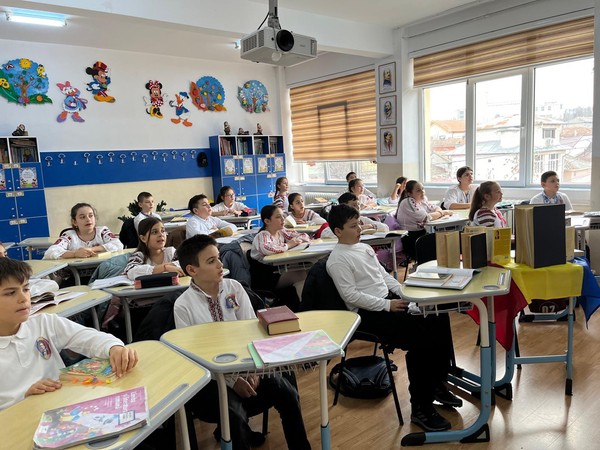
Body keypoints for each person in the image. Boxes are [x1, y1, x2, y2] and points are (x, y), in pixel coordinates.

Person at [325, 204, 460, 432]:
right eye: (353, 226)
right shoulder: (337, 260)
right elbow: (351, 296)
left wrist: (405, 292)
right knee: (421, 337)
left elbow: (384, 277)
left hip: (387, 303)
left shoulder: (363, 248)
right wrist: (388, 305)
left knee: (437, 317)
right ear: (338, 231)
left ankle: (437, 383)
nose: (359, 229)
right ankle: (420, 407)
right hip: (368, 314)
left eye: (358, 224)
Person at [174, 235, 311, 450]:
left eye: (218, 258)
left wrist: (253, 371)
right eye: (211, 261)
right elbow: (193, 358)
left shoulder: (234, 288)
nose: (220, 265)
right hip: (213, 378)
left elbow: (251, 334)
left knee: (288, 394)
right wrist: (232, 381)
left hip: (249, 366)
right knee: (234, 414)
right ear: (192, 270)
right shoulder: (183, 306)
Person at [0, 258, 138, 411]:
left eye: (26, 289)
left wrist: (113, 347)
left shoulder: (44, 323)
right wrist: (23, 399)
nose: (23, 298)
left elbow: (87, 337)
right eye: (11, 293)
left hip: (64, 408)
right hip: (21, 419)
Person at [249, 205, 310, 307]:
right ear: (267, 221)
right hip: (266, 276)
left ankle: (303, 303)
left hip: (278, 269)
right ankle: (305, 306)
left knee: (308, 270)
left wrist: (297, 240)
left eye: (283, 216)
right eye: (278, 217)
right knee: (301, 274)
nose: (283, 219)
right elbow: (267, 249)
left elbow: (304, 236)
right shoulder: (262, 235)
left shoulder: (281, 231)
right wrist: (289, 245)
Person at [43, 203, 123, 260]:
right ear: (74, 222)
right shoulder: (69, 236)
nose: (88, 219)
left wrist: (92, 249)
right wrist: (75, 254)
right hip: (74, 273)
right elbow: (50, 252)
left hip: (101, 270)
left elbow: (118, 244)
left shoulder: (102, 231)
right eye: (82, 217)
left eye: (91, 216)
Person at [395, 181, 452, 258]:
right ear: (409, 194)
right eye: (418, 190)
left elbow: (435, 208)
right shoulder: (408, 202)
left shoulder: (422, 199)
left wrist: (439, 212)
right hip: (410, 237)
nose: (422, 192)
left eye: (423, 189)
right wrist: (443, 213)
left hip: (421, 233)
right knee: (439, 245)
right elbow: (425, 218)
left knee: (443, 241)